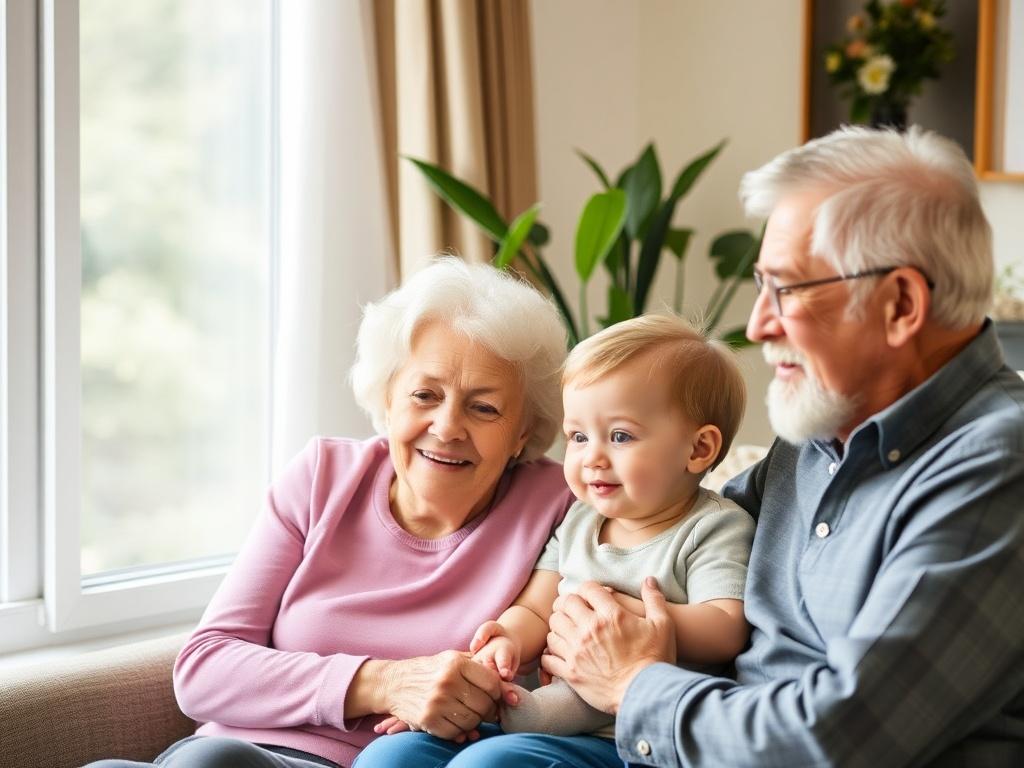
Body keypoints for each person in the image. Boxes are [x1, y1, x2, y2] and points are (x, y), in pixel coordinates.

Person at [535, 126, 1024, 767]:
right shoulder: (820, 431)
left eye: (787, 290)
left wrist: (631, 683)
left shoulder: (995, 468)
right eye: (762, 286)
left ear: (901, 304)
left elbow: (839, 740)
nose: (759, 323)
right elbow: (675, 532)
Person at [83, 257, 576, 768]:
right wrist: (383, 682)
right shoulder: (324, 477)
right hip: (232, 752)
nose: (447, 427)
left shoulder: (560, 508)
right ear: (388, 398)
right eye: (425, 395)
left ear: (523, 432)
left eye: (484, 407)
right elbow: (203, 670)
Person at [353, 315, 754, 767]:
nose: (592, 457)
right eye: (578, 436)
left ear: (699, 449)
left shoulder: (713, 527)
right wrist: (506, 641)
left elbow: (726, 628)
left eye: (620, 436)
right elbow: (536, 608)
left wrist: (628, 616)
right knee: (392, 755)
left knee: (490, 764)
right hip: (552, 716)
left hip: (624, 739)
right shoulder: (581, 519)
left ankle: (517, 719)